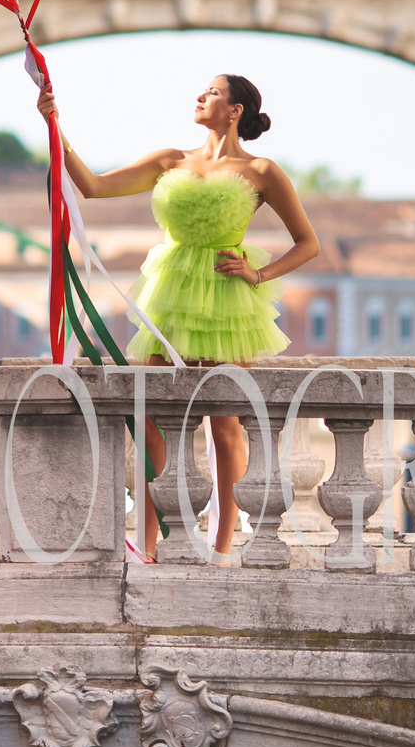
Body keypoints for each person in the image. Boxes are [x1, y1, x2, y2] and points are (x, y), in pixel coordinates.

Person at [36, 73, 321, 560]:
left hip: (228, 301)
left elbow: (308, 244)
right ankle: (149, 542)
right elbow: (92, 187)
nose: (199, 96)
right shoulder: (171, 160)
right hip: (167, 296)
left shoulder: (262, 170)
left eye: (211, 92)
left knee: (225, 424)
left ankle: (223, 544)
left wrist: (259, 274)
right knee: (151, 420)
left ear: (235, 110)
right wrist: (52, 123)